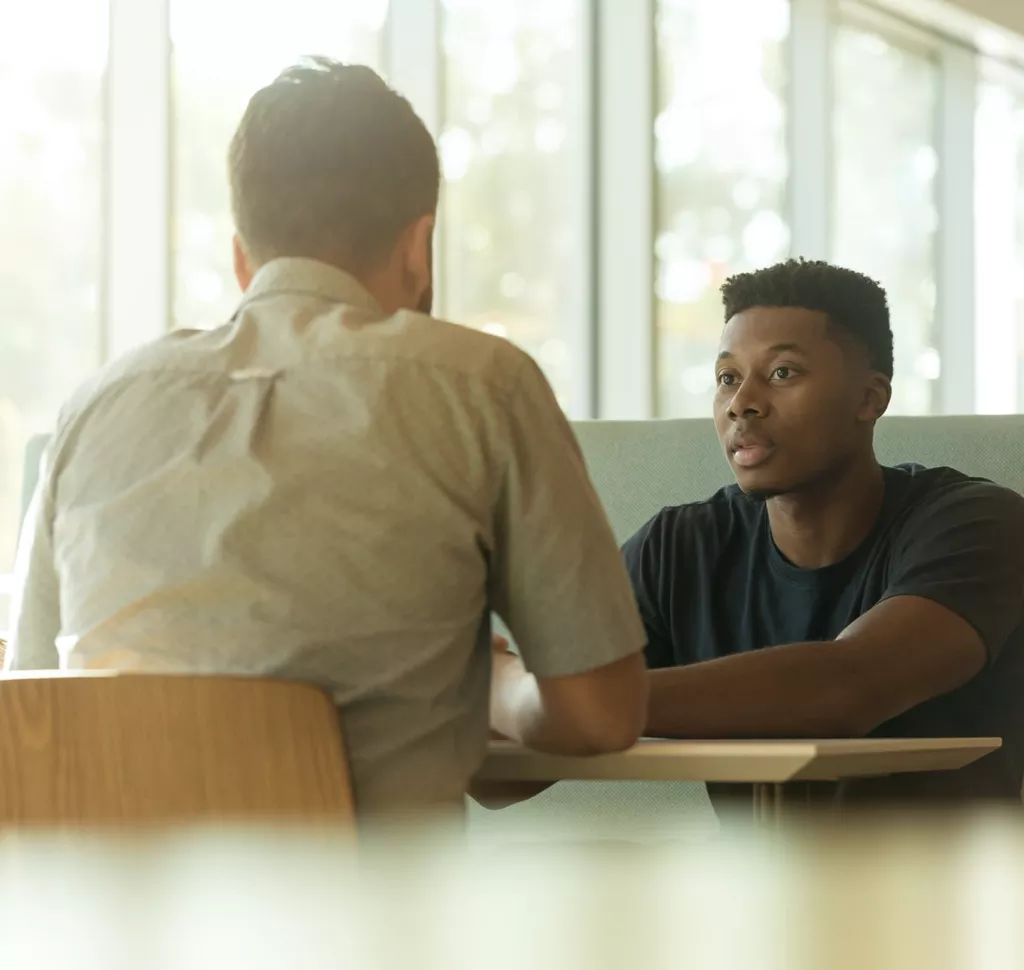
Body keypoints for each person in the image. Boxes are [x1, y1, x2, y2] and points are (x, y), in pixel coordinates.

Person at [5, 59, 648, 818]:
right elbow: (601, 715)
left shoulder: (95, 406)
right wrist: (498, 687)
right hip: (369, 926)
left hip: (101, 924)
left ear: (244, 257)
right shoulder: (482, 385)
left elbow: (29, 702)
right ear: (420, 247)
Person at [623, 259, 1024, 805]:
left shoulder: (978, 524)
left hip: (948, 885)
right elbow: (507, 782)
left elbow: (847, 688)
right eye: (727, 378)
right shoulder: (676, 548)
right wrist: (504, 695)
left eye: (783, 372)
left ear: (869, 399)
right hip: (752, 885)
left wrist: (575, 702)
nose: (743, 403)